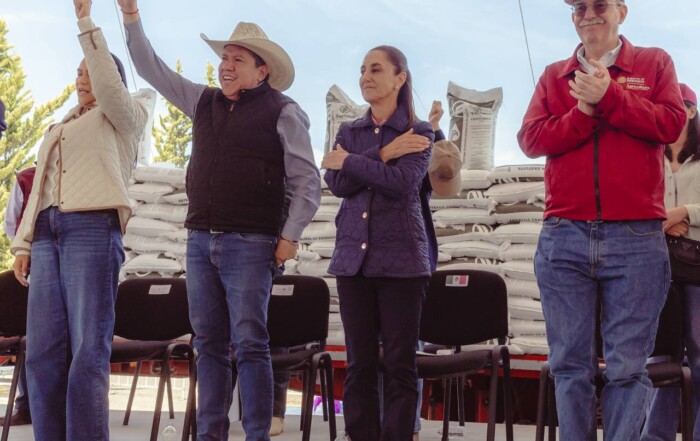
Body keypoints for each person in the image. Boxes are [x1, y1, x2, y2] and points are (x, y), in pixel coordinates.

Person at [118, 2, 321, 439]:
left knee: (250, 343)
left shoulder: (283, 111)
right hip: (199, 240)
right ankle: (210, 434)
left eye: (237, 59)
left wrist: (290, 237)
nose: (226, 66)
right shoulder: (203, 100)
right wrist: (132, 17)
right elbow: (151, 68)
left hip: (251, 243)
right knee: (208, 344)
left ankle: (256, 434)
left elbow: (308, 181)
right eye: (224, 58)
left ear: (262, 70)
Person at [517, 1, 686, 440]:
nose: (588, 13)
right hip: (564, 234)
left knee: (628, 367)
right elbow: (531, 139)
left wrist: (610, 96)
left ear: (621, 11)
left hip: (636, 236)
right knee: (569, 365)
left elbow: (670, 124)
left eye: (599, 4)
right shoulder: (554, 76)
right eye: (579, 6)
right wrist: (583, 114)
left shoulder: (654, 63)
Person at [10, 0, 147, 439]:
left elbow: (108, 85)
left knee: (88, 350)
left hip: (91, 229)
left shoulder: (124, 117)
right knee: (41, 352)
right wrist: (24, 243)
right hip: (47, 232)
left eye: (90, 71)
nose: (81, 78)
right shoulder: (60, 127)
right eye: (78, 72)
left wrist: (85, 23)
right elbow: (40, 188)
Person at [322, 45, 433, 441]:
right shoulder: (348, 131)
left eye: (375, 69)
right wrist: (383, 153)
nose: (365, 77)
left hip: (402, 262)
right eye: (362, 70)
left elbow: (401, 183)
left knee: (400, 365)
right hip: (353, 262)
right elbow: (336, 183)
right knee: (360, 364)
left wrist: (352, 162)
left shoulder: (419, 132)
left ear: (400, 78)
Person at [375, 99, 461, 441]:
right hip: (378, 262)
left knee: (405, 349)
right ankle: (379, 425)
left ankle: (406, 427)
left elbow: (442, 161)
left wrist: (435, 127)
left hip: (411, 267)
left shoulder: (420, 170)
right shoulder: (383, 153)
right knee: (377, 349)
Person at [641, 84, 700, 441]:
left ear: (691, 111)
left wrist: (685, 213)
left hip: (696, 265)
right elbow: (635, 198)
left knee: (699, 351)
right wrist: (662, 217)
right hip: (656, 261)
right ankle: (655, 436)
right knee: (661, 355)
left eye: (678, 106)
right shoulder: (649, 153)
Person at [0, 164, 35, 428]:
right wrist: (24, 250)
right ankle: (27, 406)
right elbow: (11, 225)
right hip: (33, 263)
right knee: (30, 334)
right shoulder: (26, 178)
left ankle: (30, 406)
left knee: (33, 335)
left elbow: (11, 225)